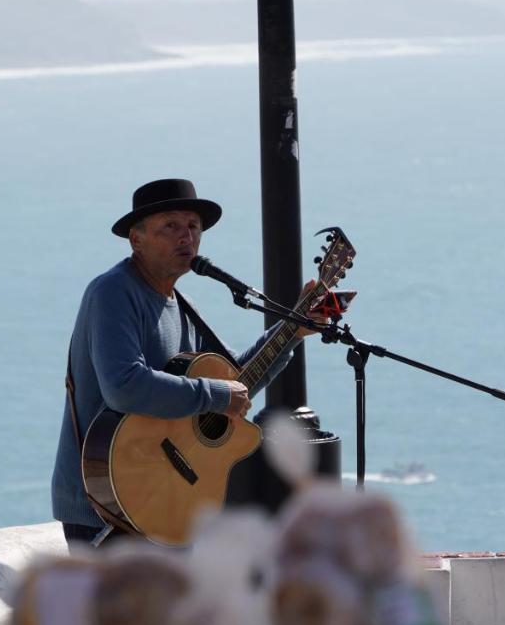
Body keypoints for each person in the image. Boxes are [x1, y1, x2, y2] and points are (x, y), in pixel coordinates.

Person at [51, 178, 322, 550]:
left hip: (165, 502)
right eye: (171, 226)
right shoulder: (113, 292)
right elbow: (124, 386)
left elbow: (236, 387)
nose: (187, 237)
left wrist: (292, 328)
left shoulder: (181, 305)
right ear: (136, 239)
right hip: (107, 506)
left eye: (193, 227)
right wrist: (215, 394)